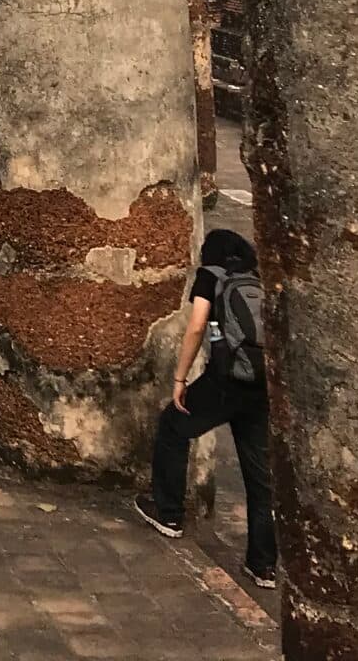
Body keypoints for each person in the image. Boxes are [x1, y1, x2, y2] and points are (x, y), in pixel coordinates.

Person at [135, 227, 278, 590]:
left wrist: (180, 379)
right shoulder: (257, 276)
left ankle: (168, 513)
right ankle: (263, 565)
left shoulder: (209, 275)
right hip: (262, 384)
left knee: (174, 425)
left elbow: (197, 326)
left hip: (225, 380)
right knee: (260, 475)